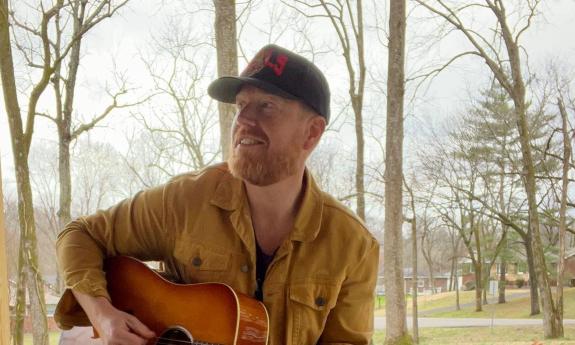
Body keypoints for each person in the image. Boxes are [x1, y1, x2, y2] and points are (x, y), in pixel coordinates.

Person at [55, 44, 379, 345]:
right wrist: (104, 316)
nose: (244, 120)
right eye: (241, 106)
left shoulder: (354, 246)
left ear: (312, 132)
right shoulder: (184, 201)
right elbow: (79, 235)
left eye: (266, 106)